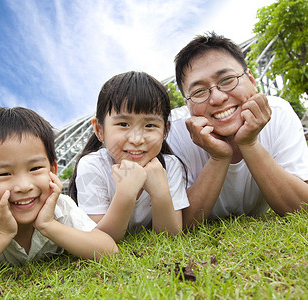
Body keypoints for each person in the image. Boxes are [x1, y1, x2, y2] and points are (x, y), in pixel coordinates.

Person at [0, 107, 117, 280]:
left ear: (52, 170)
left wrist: (48, 225)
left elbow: (108, 250)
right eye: (4, 174)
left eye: (35, 168)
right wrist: (0, 233)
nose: (24, 186)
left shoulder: (60, 207)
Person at [167, 32, 308, 228]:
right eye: (199, 91)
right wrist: (218, 158)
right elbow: (179, 224)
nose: (217, 98)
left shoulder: (279, 113)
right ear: (187, 104)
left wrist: (249, 144)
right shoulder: (174, 132)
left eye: (227, 80)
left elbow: (301, 208)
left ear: (251, 79)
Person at [69, 71, 189, 242]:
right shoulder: (92, 166)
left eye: (150, 125)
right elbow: (100, 241)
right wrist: (126, 193)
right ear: (99, 130)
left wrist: (160, 193)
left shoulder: (169, 165)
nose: (136, 139)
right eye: (123, 124)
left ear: (165, 131)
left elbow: (171, 237)